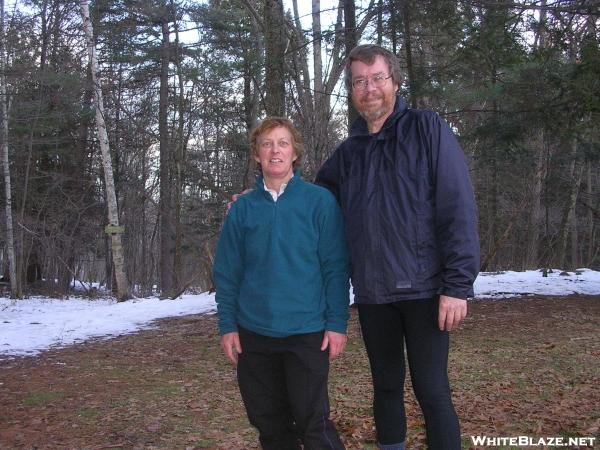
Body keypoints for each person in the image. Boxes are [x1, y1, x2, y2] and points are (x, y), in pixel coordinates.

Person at [315, 45, 480, 450]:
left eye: (377, 78)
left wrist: (457, 286)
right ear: (351, 91)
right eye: (358, 81)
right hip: (374, 294)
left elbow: (457, 204)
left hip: (426, 290)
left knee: (432, 390)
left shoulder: (426, 129)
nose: (368, 88)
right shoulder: (348, 153)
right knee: (385, 388)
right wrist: (267, 195)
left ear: (395, 82)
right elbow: (312, 203)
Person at [213, 117, 350, 450]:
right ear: (257, 156)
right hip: (254, 335)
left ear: (294, 154)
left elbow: (335, 268)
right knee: (270, 425)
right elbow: (227, 272)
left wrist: (336, 324)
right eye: (267, 144)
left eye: (283, 143)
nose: (275, 150)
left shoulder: (319, 202)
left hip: (307, 333)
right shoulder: (242, 209)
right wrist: (228, 325)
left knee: (312, 422)